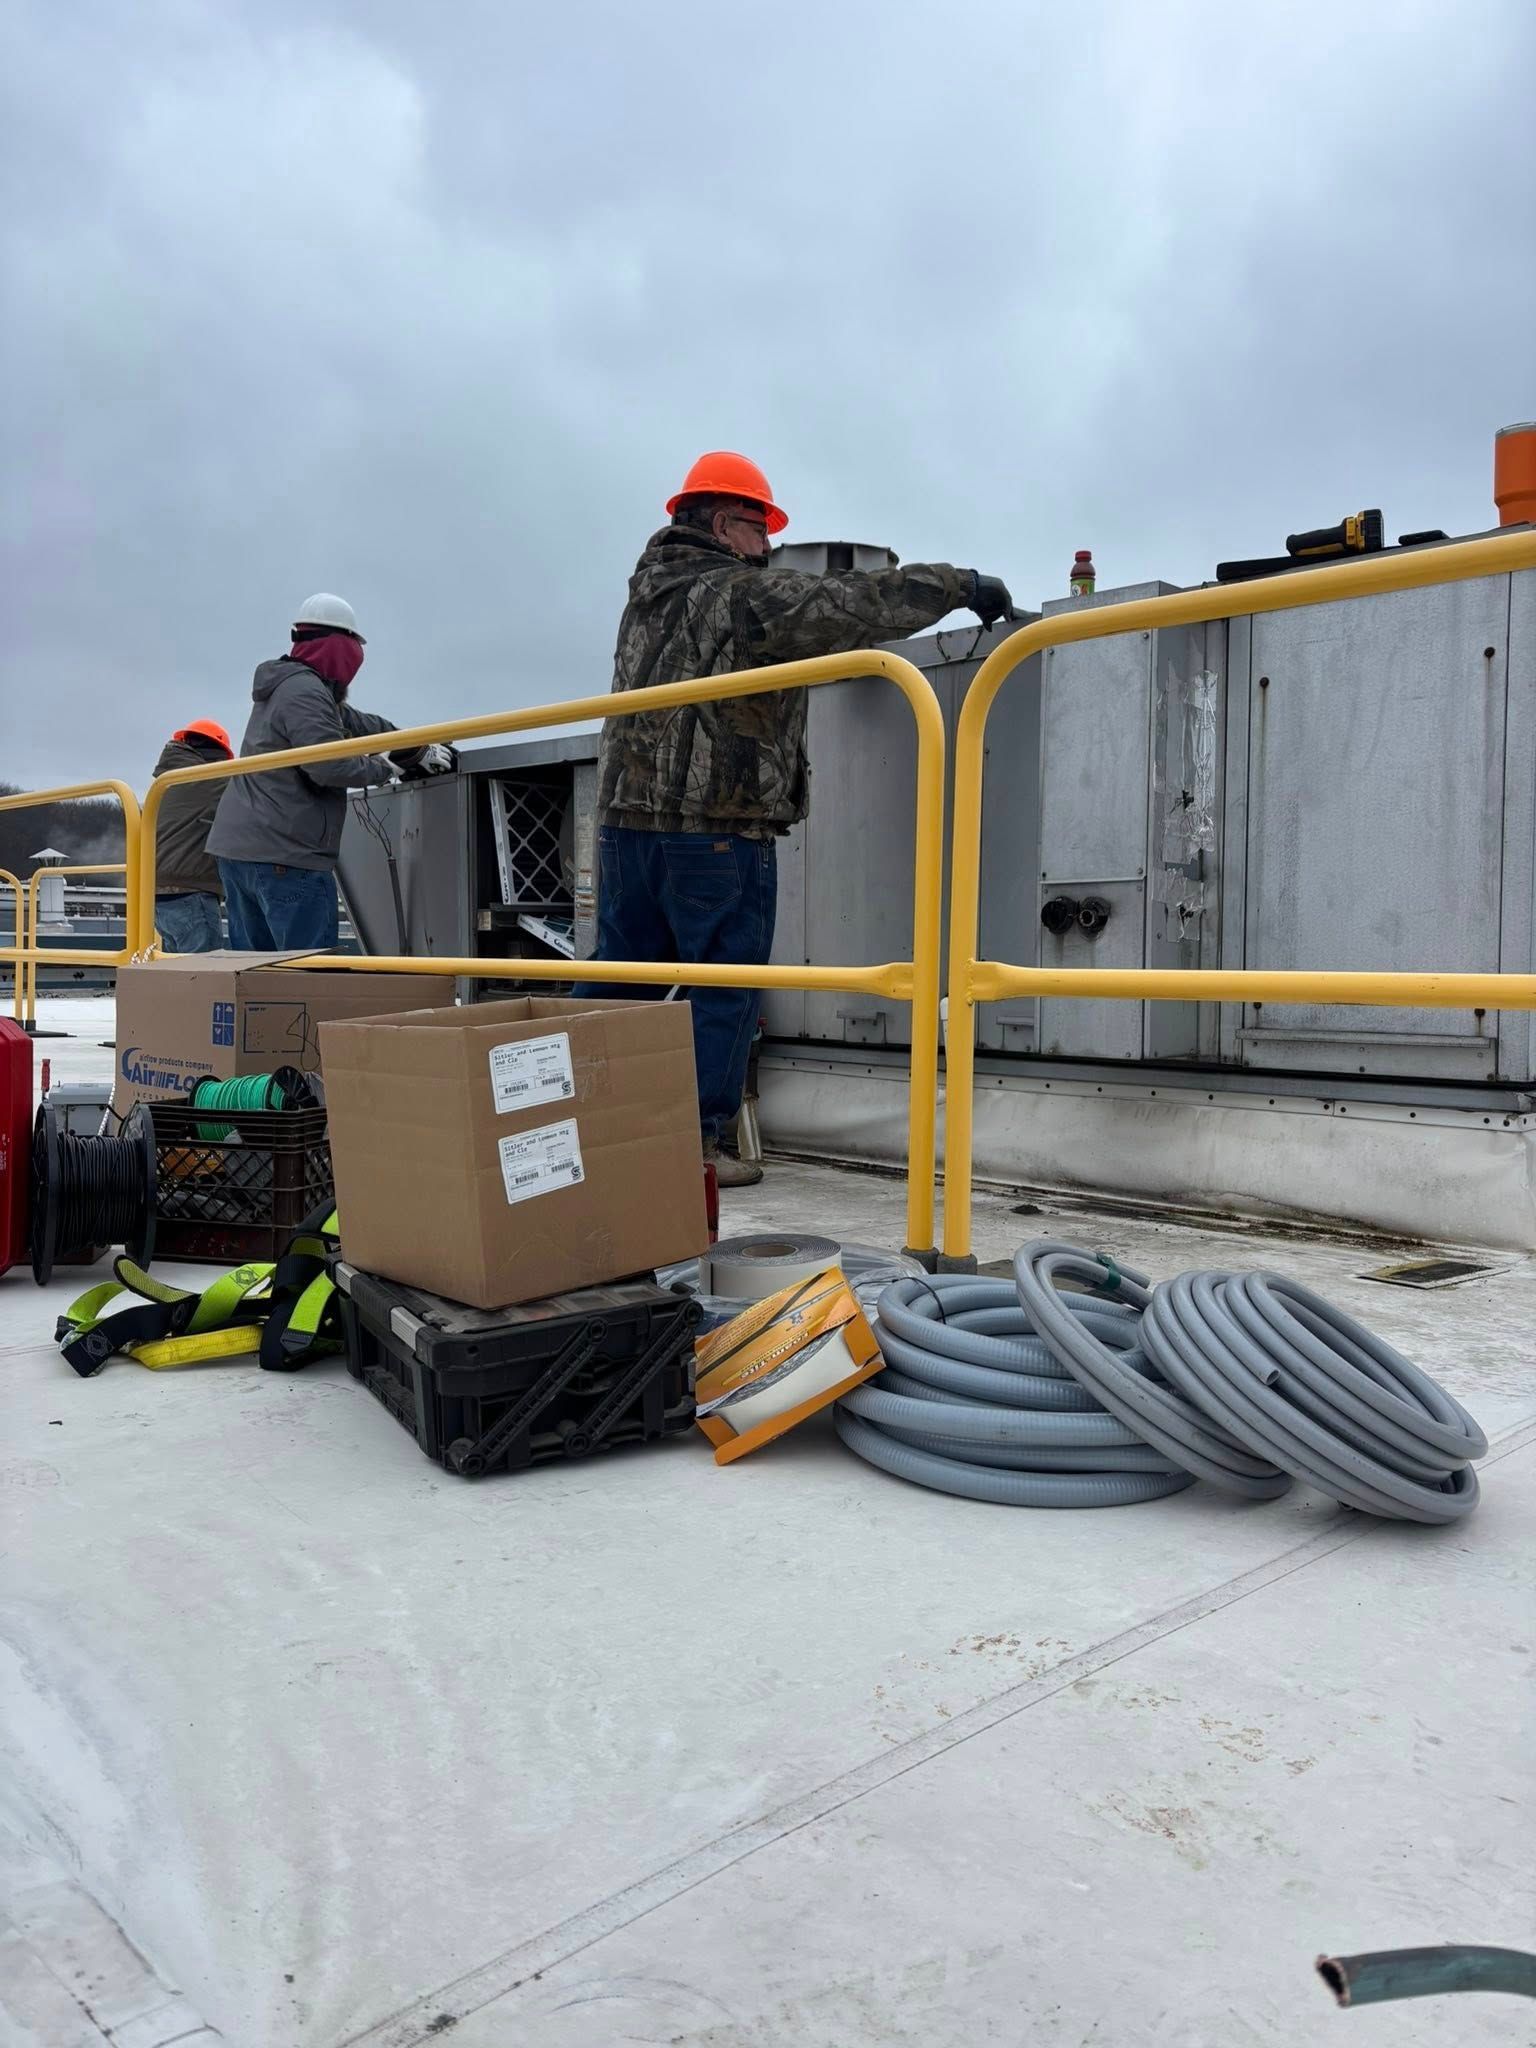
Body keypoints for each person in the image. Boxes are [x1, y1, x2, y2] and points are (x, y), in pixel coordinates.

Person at [578, 451, 1014, 1187]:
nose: (768, 545)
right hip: (713, 827)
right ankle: (693, 1148)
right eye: (758, 528)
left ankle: (574, 1122)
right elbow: (852, 605)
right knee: (725, 986)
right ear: (722, 523)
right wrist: (960, 585)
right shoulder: (737, 596)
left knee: (619, 980)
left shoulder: (647, 596)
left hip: (625, 825)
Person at [206, 593, 450, 950]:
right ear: (340, 649)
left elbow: (358, 723)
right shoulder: (305, 691)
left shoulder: (290, 687)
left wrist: (416, 742)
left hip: (241, 850)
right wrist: (386, 767)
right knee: (308, 973)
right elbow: (327, 764)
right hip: (284, 854)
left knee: (255, 976)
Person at [152, 719, 233, 952]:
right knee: (203, 975)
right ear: (217, 755)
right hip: (191, 891)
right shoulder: (209, 780)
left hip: (156, 893)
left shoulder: (165, 782)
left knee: (177, 974)